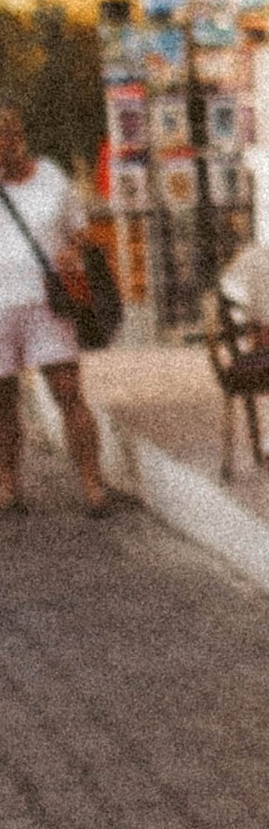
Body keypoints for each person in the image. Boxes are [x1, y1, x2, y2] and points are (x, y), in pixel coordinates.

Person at [0, 101, 111, 517]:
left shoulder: (50, 177)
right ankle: (7, 484)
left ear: (17, 138)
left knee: (68, 391)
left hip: (49, 303)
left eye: (4, 139)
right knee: (3, 404)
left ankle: (92, 483)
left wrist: (71, 251)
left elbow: (80, 231)